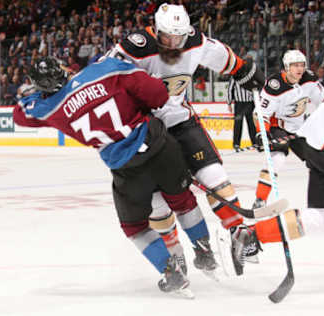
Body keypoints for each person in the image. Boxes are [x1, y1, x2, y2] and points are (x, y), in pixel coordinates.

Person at [12, 56, 202, 298]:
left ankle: (170, 270)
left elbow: (20, 113)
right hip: (154, 142)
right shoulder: (99, 72)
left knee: (134, 227)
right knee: (182, 200)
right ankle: (204, 248)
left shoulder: (51, 108)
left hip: (124, 164)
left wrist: (35, 94)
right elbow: (151, 93)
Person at [107, 3, 265, 276]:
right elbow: (103, 74)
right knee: (157, 201)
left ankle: (237, 230)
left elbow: (225, 58)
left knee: (214, 174)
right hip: (144, 133)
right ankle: (175, 253)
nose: (174, 44)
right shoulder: (137, 46)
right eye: (167, 37)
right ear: (156, 30)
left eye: (178, 37)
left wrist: (244, 71)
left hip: (181, 122)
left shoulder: (196, 41)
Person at [243, 34, 324, 298]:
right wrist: (264, 131)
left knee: (322, 218)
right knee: (276, 163)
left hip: (317, 141)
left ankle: (251, 235)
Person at [252, 50, 324, 209]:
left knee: (319, 160)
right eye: (295, 66)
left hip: (300, 129)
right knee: (277, 157)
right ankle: (260, 200)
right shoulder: (275, 84)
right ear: (286, 67)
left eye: (301, 65)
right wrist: (262, 133)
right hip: (278, 126)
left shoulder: (309, 79)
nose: (299, 69)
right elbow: (261, 112)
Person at [227, 76, 257, 152]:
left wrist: (257, 102)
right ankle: (236, 144)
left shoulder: (250, 75)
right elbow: (230, 89)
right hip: (239, 104)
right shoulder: (234, 76)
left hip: (250, 103)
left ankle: (255, 142)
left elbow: (256, 88)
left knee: (252, 124)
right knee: (238, 124)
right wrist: (229, 103)